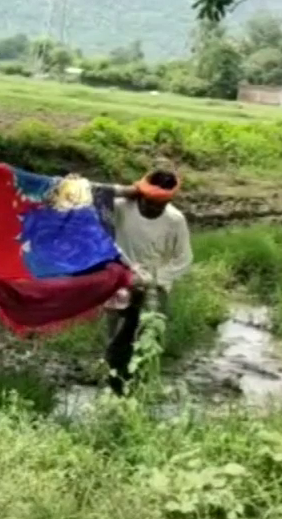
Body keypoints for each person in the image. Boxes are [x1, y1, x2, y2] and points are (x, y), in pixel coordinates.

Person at [103, 163, 194, 395]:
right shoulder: (122, 207)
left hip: (155, 286)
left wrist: (154, 280)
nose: (152, 208)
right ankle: (115, 387)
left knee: (149, 339)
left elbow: (184, 259)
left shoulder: (175, 220)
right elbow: (87, 196)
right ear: (139, 194)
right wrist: (123, 190)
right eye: (148, 202)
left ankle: (139, 388)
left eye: (159, 205)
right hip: (121, 282)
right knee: (116, 340)